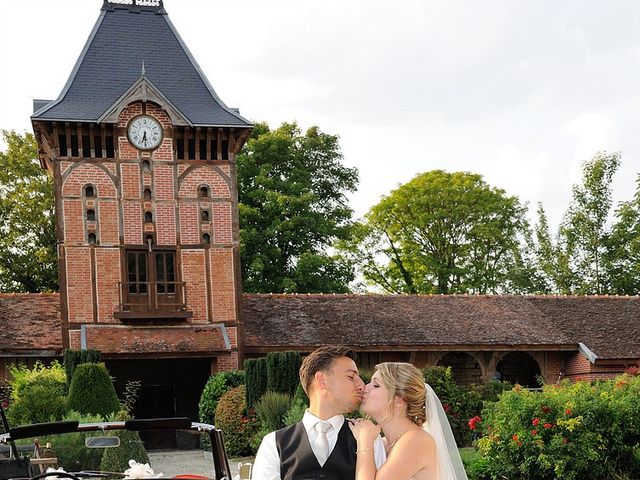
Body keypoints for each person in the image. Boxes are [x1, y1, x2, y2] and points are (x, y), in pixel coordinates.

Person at [252, 346, 386, 479]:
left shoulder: (369, 438)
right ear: (322, 380)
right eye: (351, 377)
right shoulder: (274, 444)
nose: (362, 385)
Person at [349, 362, 468, 480]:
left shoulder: (417, 441)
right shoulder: (383, 442)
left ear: (399, 401)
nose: (365, 388)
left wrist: (364, 439)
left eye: (376, 385)